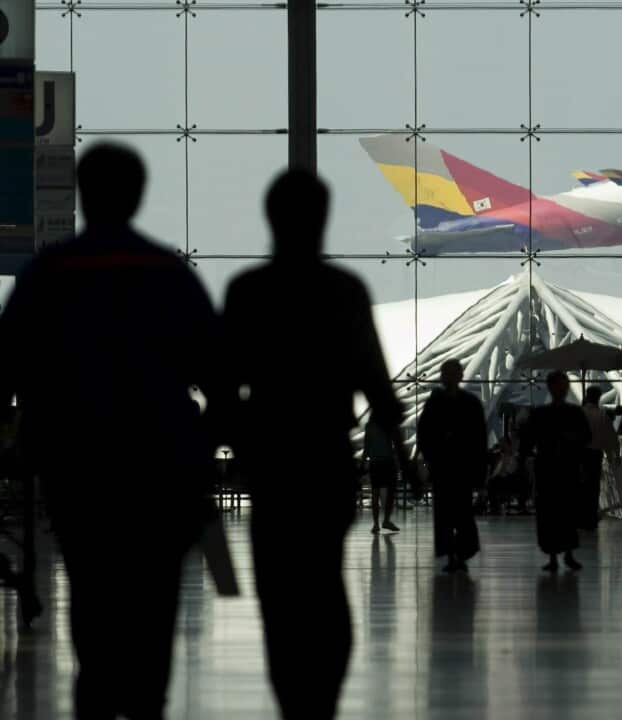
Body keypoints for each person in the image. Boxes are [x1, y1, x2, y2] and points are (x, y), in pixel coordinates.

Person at [0, 143, 227, 718]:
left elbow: (5, 364)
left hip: (78, 464)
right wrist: (202, 444)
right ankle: (145, 699)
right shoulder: (169, 274)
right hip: (160, 464)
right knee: (153, 600)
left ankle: (96, 692)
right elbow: (221, 378)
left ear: (82, 192)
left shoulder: (47, 274)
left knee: (93, 591)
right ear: (138, 195)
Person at [222, 169, 409, 719]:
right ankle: (322, 700)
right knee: (325, 582)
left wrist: (236, 445)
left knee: (279, 593)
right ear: (323, 220)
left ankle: (292, 701)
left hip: (272, 464)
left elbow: (223, 381)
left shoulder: (247, 292)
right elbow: (377, 382)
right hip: (326, 460)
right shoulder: (344, 291)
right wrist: (402, 453)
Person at [417, 358, 486, 573]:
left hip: (454, 467)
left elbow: (425, 434)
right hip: (448, 467)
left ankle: (457, 554)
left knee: (456, 513)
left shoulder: (439, 402)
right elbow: (478, 438)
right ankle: (456, 555)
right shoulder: (467, 402)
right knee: (451, 513)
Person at [520, 371, 590, 572]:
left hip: (554, 468)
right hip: (559, 469)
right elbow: (585, 438)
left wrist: (524, 458)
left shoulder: (542, 414)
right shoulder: (573, 413)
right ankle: (562, 554)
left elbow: (528, 440)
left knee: (558, 512)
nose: (563, 389)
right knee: (558, 511)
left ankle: (557, 555)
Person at [580, 386, 619, 531]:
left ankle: (579, 517)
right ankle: (590, 518)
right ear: (598, 398)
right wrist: (613, 455)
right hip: (595, 455)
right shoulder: (602, 415)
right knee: (593, 487)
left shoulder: (579, 414)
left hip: (579, 455)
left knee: (580, 486)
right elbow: (611, 439)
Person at [363, 419, 401, 534]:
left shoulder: (370, 425)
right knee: (390, 491)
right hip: (387, 461)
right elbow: (395, 444)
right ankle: (386, 520)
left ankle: (376, 524)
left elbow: (366, 445)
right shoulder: (388, 423)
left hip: (375, 462)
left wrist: (363, 462)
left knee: (375, 493)